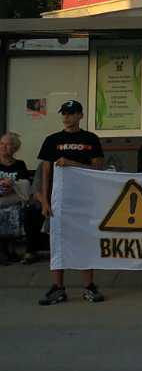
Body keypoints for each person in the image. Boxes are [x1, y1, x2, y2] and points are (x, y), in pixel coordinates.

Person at [36, 99, 107, 306]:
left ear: (80, 115)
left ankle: (89, 286)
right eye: (64, 113)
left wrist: (72, 163)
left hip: (84, 198)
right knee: (57, 241)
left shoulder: (90, 139)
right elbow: (45, 172)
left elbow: (98, 169)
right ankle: (58, 287)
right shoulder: (52, 140)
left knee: (85, 241)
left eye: (71, 113)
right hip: (59, 199)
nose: (67, 117)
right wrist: (45, 201)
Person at [0, 131, 45, 263]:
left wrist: (12, 184)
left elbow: (25, 186)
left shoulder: (20, 164)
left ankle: (12, 250)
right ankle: (4, 250)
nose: (3, 147)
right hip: (3, 197)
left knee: (24, 209)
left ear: (15, 148)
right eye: (1, 143)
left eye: (8, 144)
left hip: (14, 199)